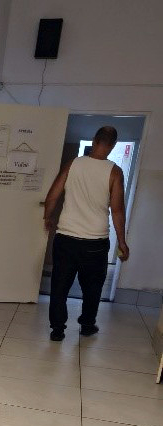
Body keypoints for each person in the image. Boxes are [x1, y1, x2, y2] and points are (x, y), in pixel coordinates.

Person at [43, 125, 129, 341]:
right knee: (92, 288)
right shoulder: (115, 172)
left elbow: (52, 195)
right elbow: (117, 211)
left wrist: (48, 217)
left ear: (94, 140)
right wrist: (122, 242)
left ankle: (57, 330)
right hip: (95, 243)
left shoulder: (73, 164)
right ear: (113, 145)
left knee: (60, 286)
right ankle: (87, 325)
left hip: (66, 238)